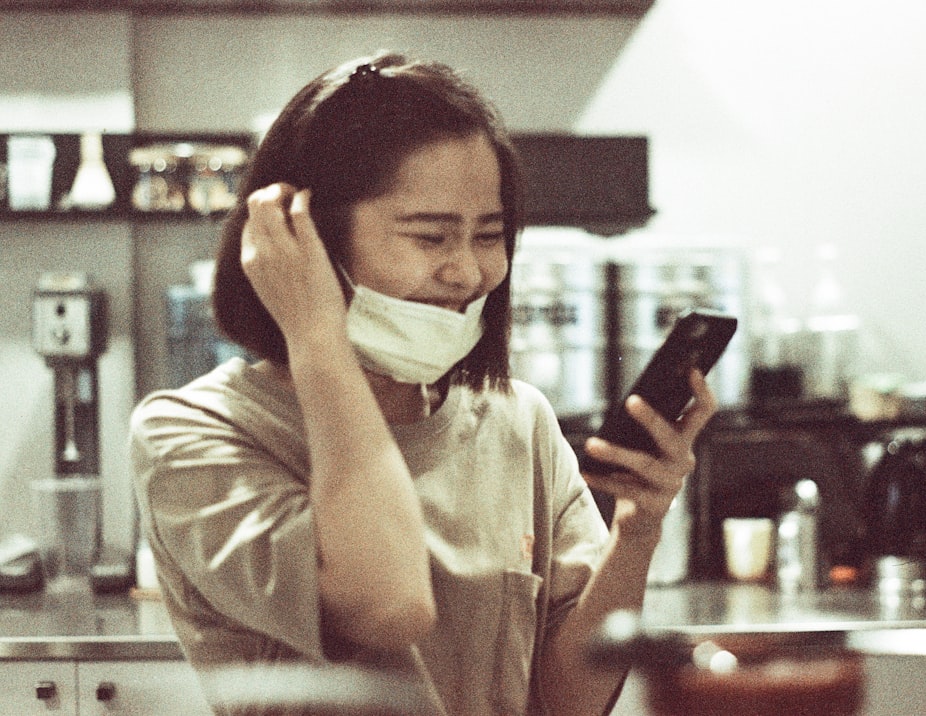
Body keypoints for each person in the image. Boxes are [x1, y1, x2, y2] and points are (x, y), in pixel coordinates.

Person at [129, 51, 717, 716]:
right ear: (309, 235)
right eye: (431, 237)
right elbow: (388, 603)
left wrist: (637, 530)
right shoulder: (194, 431)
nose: (467, 272)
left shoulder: (515, 419)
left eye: (489, 235)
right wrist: (317, 333)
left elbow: (562, 703)